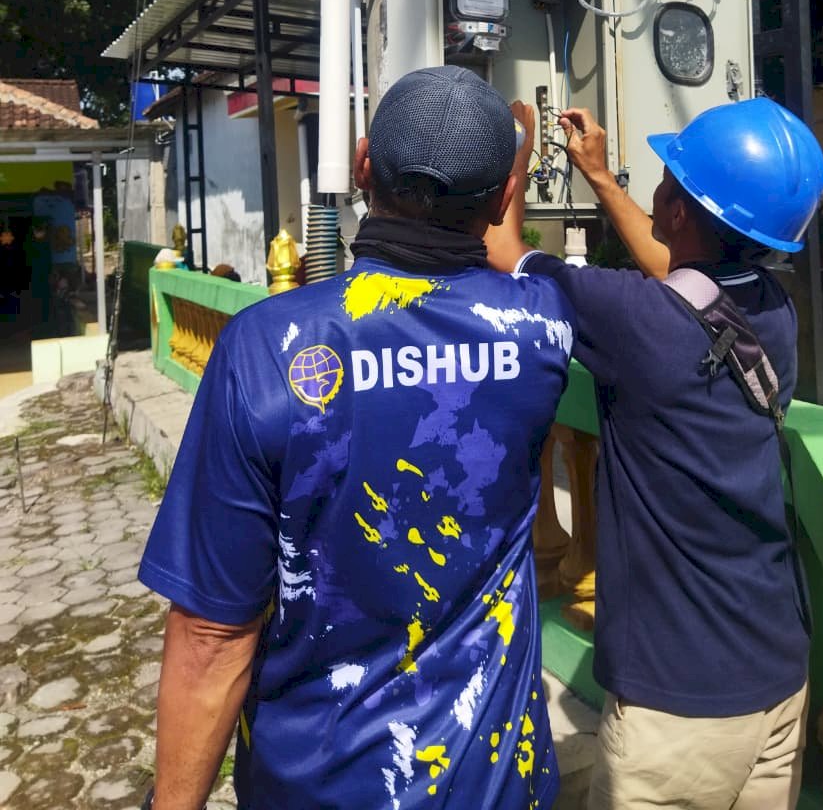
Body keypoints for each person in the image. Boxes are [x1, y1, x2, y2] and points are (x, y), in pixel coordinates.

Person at [137, 65, 576, 810]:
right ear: (505, 195)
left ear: (364, 165)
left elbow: (212, 637)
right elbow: (504, 252)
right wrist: (513, 163)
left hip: (317, 784)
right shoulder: (544, 327)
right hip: (497, 782)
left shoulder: (264, 347)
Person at [486, 96, 823, 810]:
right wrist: (602, 179)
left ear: (676, 209)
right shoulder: (771, 307)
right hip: (779, 674)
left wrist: (518, 145)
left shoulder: (638, 322)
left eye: (667, 180)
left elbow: (502, 253)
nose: (660, 189)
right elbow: (683, 272)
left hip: (678, 709)